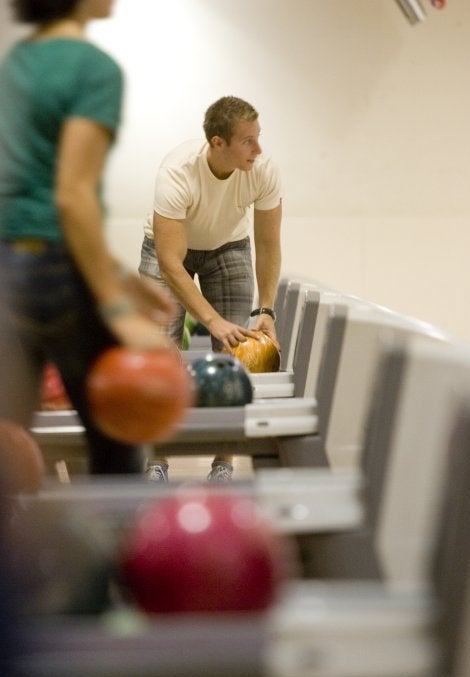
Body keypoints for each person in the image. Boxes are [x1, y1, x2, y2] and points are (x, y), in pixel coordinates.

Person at [0, 0, 176, 476]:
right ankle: (115, 547)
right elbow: (71, 199)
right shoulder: (94, 69)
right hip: (52, 273)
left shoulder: (15, 62)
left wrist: (119, 272)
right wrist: (117, 308)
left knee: (8, 445)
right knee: (120, 441)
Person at [139, 95, 283, 483]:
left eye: (259, 137)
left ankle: (224, 462)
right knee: (158, 353)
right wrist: (210, 320)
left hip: (228, 247)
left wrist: (265, 310)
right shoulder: (177, 171)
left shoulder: (264, 169)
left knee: (236, 351)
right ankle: (158, 460)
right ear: (218, 143)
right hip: (167, 250)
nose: (259, 148)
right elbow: (171, 261)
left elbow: (269, 244)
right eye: (248, 141)